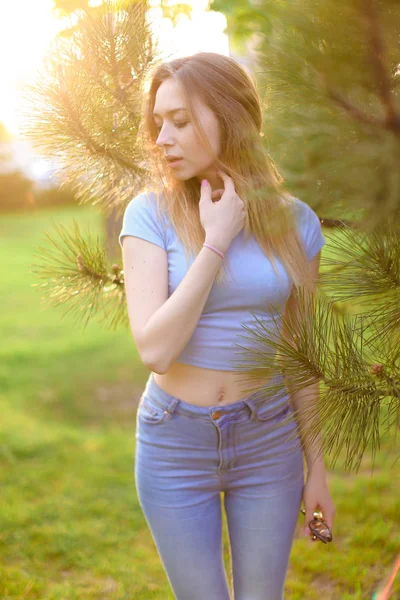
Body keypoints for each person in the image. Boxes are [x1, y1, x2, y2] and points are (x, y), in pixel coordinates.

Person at [119, 52, 335, 600]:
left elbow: (301, 355)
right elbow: (155, 349)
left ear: (231, 117)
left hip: (269, 437)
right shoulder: (148, 215)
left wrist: (318, 468)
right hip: (175, 441)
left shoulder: (298, 224)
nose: (163, 137)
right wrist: (215, 241)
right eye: (158, 122)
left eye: (181, 121)